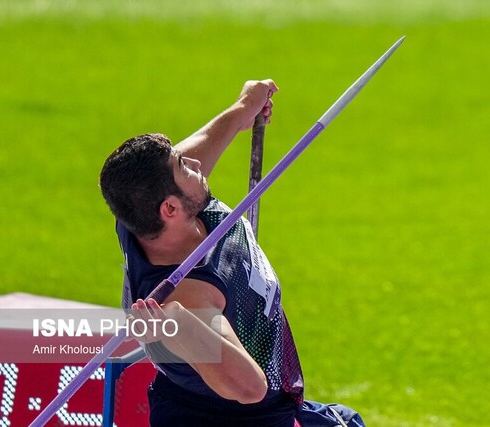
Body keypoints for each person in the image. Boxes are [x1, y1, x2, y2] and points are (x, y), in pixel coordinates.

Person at [99, 79, 365, 427]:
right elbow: (250, 388)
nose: (195, 164)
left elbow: (184, 162)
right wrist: (178, 324)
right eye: (184, 167)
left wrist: (244, 108)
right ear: (169, 209)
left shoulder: (148, 215)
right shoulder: (193, 298)